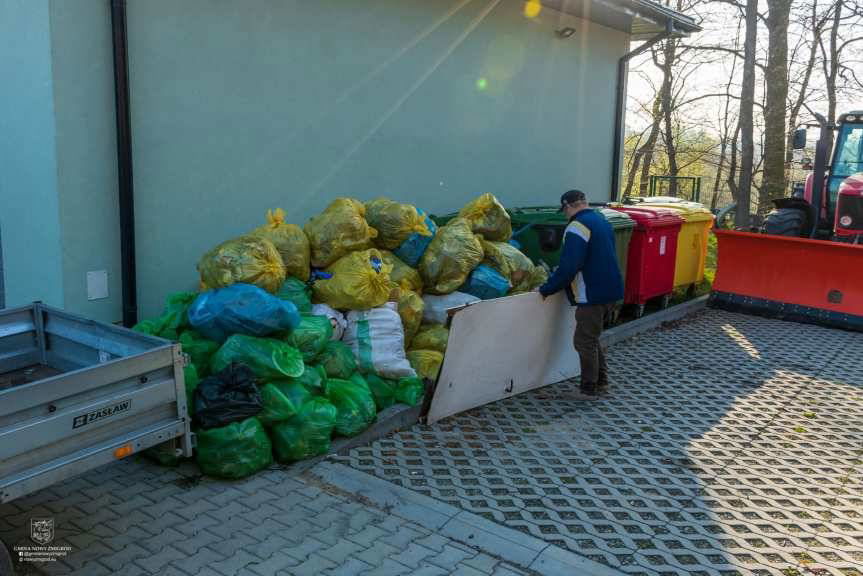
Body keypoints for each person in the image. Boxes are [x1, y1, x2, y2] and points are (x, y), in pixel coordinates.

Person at [538, 190, 624, 396]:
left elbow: (569, 266)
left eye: (564, 211)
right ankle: (601, 381)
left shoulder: (577, 226)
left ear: (568, 206)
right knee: (592, 339)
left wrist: (546, 289)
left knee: (583, 341)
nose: (565, 215)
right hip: (611, 289)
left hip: (591, 292)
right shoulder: (601, 220)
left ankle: (589, 387)